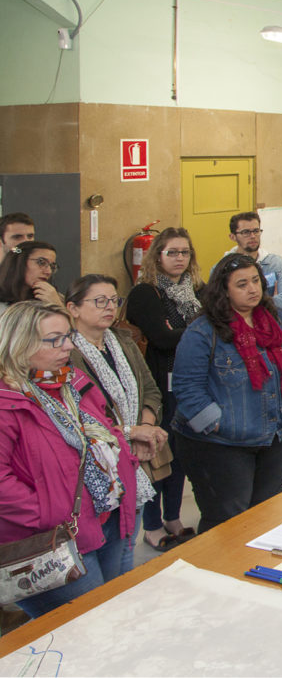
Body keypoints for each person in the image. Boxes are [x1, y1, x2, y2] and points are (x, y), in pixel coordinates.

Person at [0, 301, 144, 618]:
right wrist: (50, 512)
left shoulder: (70, 380)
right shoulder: (7, 399)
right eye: (55, 339)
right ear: (19, 344)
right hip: (53, 537)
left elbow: (104, 431)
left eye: (68, 336)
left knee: (117, 614)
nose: (67, 345)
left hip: (108, 515)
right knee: (87, 628)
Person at [171, 254, 282, 533]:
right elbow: (186, 388)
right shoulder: (202, 332)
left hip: (276, 435)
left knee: (263, 516)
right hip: (222, 445)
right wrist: (218, 423)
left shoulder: (276, 319)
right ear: (224, 290)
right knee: (227, 524)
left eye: (256, 281)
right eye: (242, 284)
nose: (253, 289)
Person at [66, 275, 173, 566]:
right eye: (99, 301)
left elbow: (151, 390)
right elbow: (78, 415)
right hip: (98, 462)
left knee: (127, 543)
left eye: (114, 300)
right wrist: (129, 432)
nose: (109, 307)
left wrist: (147, 428)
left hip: (136, 452)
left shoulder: (123, 341)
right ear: (73, 309)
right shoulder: (66, 353)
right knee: (102, 547)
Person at [125, 228, 201, 550]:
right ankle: (152, 525)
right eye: (172, 252)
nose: (180, 258)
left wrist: (184, 331)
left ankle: (172, 516)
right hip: (158, 387)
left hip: (191, 383)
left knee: (181, 454)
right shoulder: (146, 293)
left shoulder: (196, 289)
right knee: (157, 453)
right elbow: (161, 338)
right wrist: (198, 330)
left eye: (185, 252)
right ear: (158, 255)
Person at [224, 211, 282, 311]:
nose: (252, 236)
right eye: (246, 232)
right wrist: (270, 301)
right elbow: (223, 307)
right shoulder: (223, 268)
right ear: (233, 237)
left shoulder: (274, 262)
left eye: (256, 231)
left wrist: (246, 303)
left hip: (274, 323)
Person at [0, 240, 61, 315]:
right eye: (41, 262)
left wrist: (57, 306)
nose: (48, 271)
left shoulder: (52, 297)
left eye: (52, 266)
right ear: (20, 262)